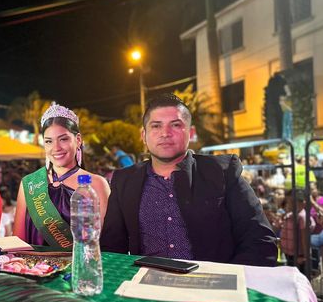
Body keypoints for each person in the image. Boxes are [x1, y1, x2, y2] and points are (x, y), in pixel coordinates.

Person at [100, 94, 277, 266]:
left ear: (191, 133)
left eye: (176, 125)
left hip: (211, 281)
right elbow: (111, 248)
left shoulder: (222, 173)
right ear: (143, 135)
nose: (165, 133)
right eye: (156, 126)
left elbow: (260, 240)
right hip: (147, 280)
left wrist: (226, 279)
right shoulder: (125, 181)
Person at [13, 103, 110, 249]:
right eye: (48, 141)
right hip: (34, 263)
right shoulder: (29, 184)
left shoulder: (97, 184)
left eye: (63, 139)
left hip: (80, 263)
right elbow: (17, 243)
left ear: (78, 140)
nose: (56, 148)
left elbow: (107, 244)